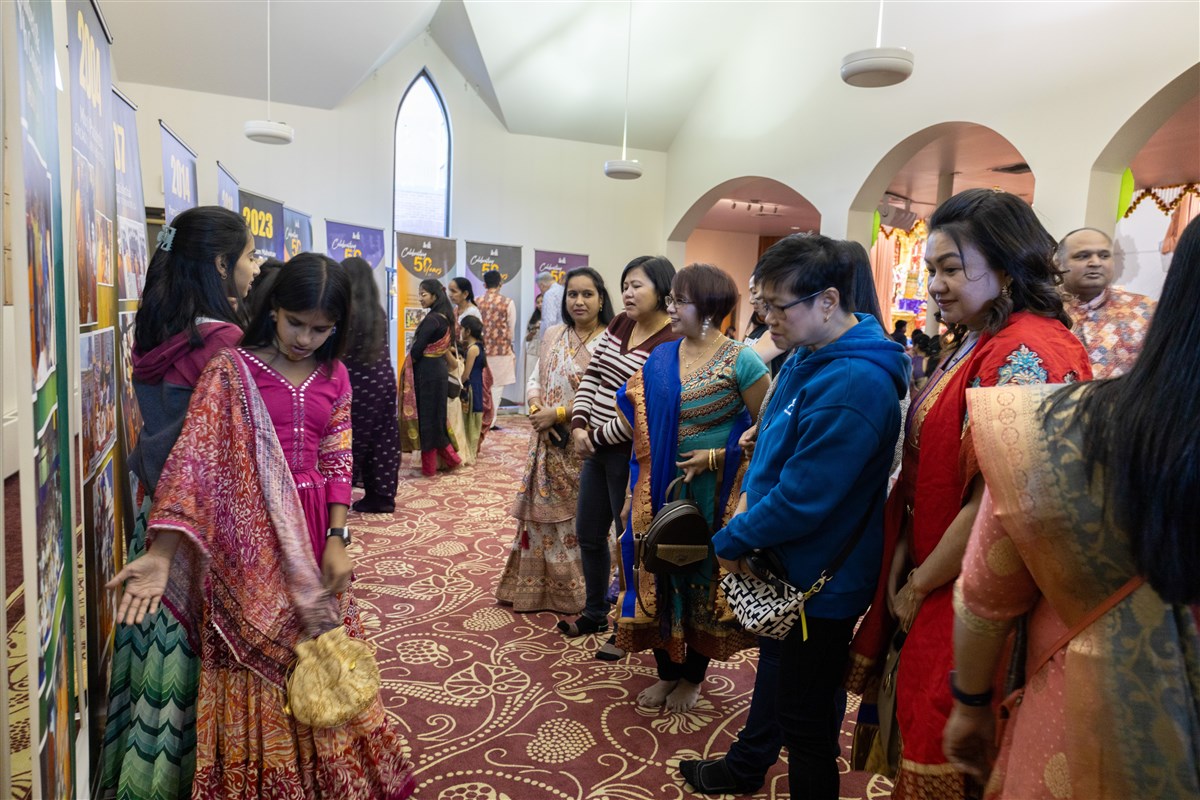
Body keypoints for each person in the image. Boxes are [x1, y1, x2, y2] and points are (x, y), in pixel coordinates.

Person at [106, 253, 416, 797]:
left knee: (316, 652)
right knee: (253, 656)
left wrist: (337, 537)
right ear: (273, 309)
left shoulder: (335, 374)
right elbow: (195, 461)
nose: (305, 339)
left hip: (311, 531)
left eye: (321, 329)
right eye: (296, 322)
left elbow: (338, 460)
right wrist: (161, 554)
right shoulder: (231, 370)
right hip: (245, 538)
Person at [943, 214, 1200, 799]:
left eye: (951, 268)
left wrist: (971, 701)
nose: (938, 285)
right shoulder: (997, 343)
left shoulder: (1047, 394)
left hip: (1088, 710)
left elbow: (987, 590)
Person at [847, 189, 1092, 800]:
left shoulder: (1026, 351)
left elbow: (998, 505)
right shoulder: (981, 337)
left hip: (980, 591)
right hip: (939, 567)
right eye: (932, 269)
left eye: (951, 269)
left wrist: (921, 581)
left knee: (953, 746)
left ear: (1006, 267)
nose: (935, 285)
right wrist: (905, 550)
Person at [679, 235, 908, 800]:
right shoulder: (812, 353)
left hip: (817, 578)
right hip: (793, 565)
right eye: (762, 304)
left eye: (778, 306)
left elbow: (803, 498)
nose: (767, 319)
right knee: (793, 692)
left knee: (805, 720)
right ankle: (748, 765)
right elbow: (783, 443)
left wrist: (729, 541)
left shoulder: (851, 382)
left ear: (828, 301)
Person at [100, 206, 258, 799]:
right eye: (248, 256)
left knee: (154, 654)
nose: (254, 267)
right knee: (194, 661)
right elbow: (218, 453)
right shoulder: (222, 344)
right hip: (196, 526)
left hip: (156, 515)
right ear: (220, 263)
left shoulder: (157, 330)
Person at [610, 263, 770, 712]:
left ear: (709, 307)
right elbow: (640, 428)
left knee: (701, 577)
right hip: (658, 488)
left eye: (680, 300)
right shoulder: (661, 357)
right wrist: (632, 493)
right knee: (657, 570)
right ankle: (666, 672)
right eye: (671, 299)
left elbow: (769, 434)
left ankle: (693, 678)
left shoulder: (742, 360)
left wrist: (717, 457)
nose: (671, 308)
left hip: (713, 495)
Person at [557, 256, 680, 656]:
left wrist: (594, 436)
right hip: (596, 448)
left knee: (628, 542)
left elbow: (641, 410)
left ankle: (625, 627)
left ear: (662, 291)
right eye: (625, 285)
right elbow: (593, 375)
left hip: (632, 457)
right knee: (589, 533)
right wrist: (579, 424)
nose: (627, 293)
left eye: (637, 285)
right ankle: (595, 612)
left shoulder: (669, 340)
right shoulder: (621, 324)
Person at [497, 267, 615, 612]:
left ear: (601, 300)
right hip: (547, 444)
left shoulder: (611, 341)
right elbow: (536, 377)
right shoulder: (553, 335)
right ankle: (538, 591)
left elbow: (611, 396)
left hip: (587, 445)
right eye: (572, 294)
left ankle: (581, 592)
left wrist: (559, 414)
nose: (579, 301)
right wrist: (537, 411)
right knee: (541, 522)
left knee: (586, 523)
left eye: (587, 294)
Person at [341, 256, 401, 513]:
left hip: (355, 382)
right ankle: (382, 496)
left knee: (350, 439)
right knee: (384, 437)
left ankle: (339, 496)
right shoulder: (378, 311)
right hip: (383, 379)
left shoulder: (345, 312)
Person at [1057, 227, 1156, 378]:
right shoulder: (1043, 309)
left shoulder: (1145, 309)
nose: (1096, 262)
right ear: (1058, 264)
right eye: (1082, 256)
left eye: (1104, 256)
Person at [399, 279, 463, 476]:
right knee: (437, 416)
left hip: (426, 372)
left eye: (423, 294)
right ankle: (452, 460)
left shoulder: (433, 319)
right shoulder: (446, 318)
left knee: (427, 417)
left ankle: (429, 468)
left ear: (435, 295)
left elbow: (417, 349)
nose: (420, 298)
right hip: (439, 370)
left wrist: (410, 362)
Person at [448, 276, 495, 436]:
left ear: (465, 293)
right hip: (458, 358)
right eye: (449, 291)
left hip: (469, 361)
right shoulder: (455, 310)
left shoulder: (472, 312)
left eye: (454, 291)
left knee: (473, 402)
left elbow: (474, 339)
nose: (450, 294)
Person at [477, 269, 517, 415]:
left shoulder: (476, 301)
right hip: (501, 351)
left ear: (484, 285)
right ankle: (491, 420)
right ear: (500, 283)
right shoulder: (508, 303)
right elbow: (511, 329)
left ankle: (481, 419)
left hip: (480, 351)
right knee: (497, 388)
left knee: (481, 387)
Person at [457, 315, 489, 463]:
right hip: (476, 387)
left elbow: (466, 374)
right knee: (472, 420)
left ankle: (469, 454)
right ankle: (471, 453)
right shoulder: (478, 346)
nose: (461, 331)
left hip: (470, 388)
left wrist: (457, 383)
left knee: (469, 421)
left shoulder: (473, 349)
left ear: (468, 331)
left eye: (462, 329)